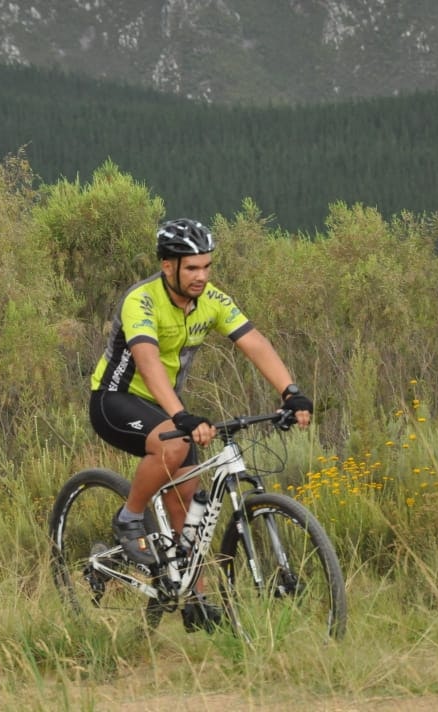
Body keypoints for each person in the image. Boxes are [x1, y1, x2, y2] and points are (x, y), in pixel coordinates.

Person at [88, 218, 313, 629]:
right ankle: (129, 517)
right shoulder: (141, 300)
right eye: (192, 267)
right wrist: (181, 416)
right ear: (167, 265)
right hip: (114, 400)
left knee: (187, 498)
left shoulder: (212, 300)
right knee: (174, 444)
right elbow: (148, 362)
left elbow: (254, 342)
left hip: (164, 407)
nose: (202, 276)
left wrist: (290, 391)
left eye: (207, 266)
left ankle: (196, 599)